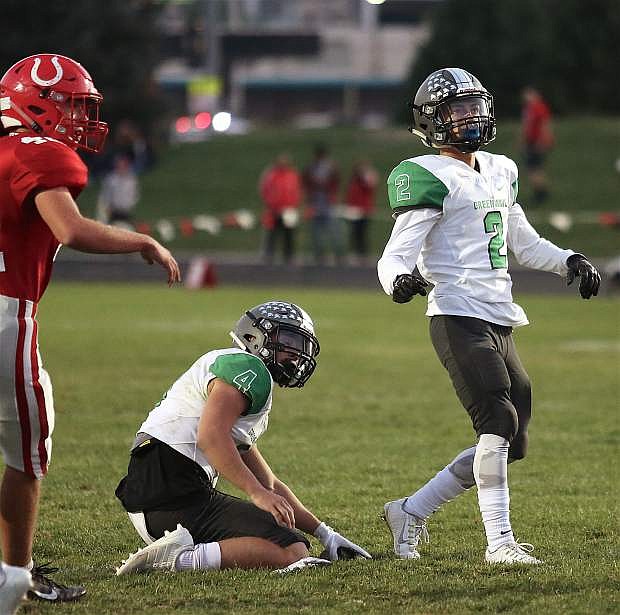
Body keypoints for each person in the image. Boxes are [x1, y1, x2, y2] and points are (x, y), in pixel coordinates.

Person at [377, 68, 600, 566]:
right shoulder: (428, 174)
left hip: (500, 316)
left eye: (475, 106)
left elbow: (521, 241)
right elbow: (395, 254)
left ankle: (410, 510)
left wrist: (568, 260)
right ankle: (499, 544)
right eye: (457, 110)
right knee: (495, 419)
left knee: (512, 440)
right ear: (433, 121)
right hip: (456, 313)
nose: (470, 117)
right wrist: (398, 281)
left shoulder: (500, 168)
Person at [0, 54, 180, 614]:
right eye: (72, 103)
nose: (80, 117)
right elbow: (71, 229)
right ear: (36, 102)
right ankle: (15, 576)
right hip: (6, 315)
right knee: (27, 452)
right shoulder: (37, 153)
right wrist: (143, 242)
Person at [115, 301, 371, 575]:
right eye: (287, 341)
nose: (295, 355)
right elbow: (211, 437)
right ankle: (177, 560)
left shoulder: (235, 373)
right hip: (172, 488)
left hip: (160, 492)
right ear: (254, 337)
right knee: (293, 549)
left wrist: (325, 534)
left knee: (288, 535)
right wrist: (255, 494)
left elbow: (269, 483)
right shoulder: (249, 368)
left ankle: (181, 551)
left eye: (298, 345)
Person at [258, 154, 302, 264]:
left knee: (289, 234)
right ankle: (269, 254)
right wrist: (270, 203)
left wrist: (294, 204)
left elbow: (297, 191)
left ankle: (289, 255)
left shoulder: (292, 175)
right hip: (274, 209)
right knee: (272, 233)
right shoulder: (271, 175)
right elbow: (264, 189)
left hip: (289, 209)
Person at [303, 145, 342, 266]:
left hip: (328, 203)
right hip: (316, 203)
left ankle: (338, 254)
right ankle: (319, 255)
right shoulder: (311, 168)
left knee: (333, 230)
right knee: (317, 232)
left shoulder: (331, 168)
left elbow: (334, 182)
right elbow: (307, 182)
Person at [521, 86, 553, 205]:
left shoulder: (539, 108)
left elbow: (544, 125)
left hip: (536, 142)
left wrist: (543, 141)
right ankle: (540, 191)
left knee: (534, 168)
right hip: (531, 142)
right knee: (533, 168)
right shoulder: (529, 108)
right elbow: (527, 127)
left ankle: (541, 193)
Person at [344, 160, 378, 264]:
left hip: (363, 210)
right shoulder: (354, 181)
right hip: (354, 210)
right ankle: (356, 253)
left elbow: (371, 187)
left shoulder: (364, 181)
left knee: (362, 233)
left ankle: (363, 253)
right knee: (355, 233)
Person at [97, 153, 140, 228]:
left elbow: (134, 195)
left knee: (126, 228)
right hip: (113, 210)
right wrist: (107, 207)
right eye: (119, 165)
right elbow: (106, 194)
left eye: (124, 165)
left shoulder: (131, 180)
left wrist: (129, 205)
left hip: (126, 210)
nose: (121, 167)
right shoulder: (111, 179)